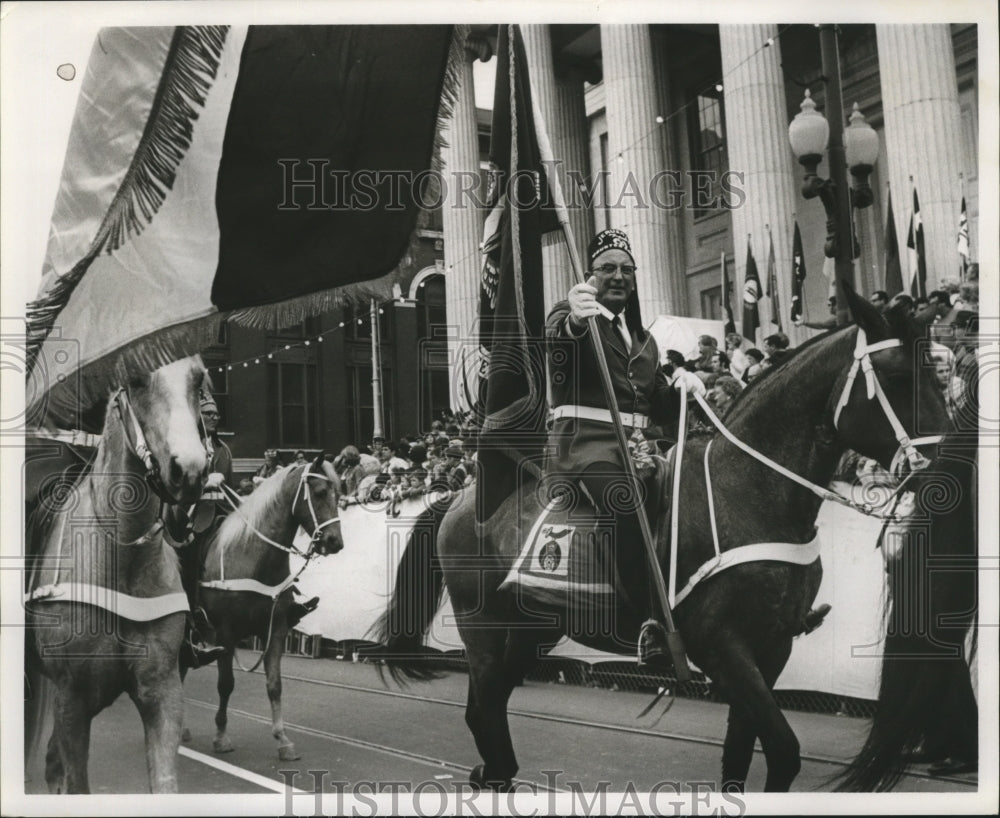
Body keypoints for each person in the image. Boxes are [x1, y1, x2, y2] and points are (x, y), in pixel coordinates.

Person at [546, 227, 682, 669]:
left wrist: (682, 386)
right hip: (587, 446)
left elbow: (656, 399)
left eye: (626, 269)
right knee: (626, 499)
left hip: (643, 447)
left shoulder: (646, 339)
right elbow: (558, 349)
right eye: (607, 269)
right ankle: (644, 621)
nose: (618, 276)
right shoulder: (568, 314)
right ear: (590, 276)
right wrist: (573, 321)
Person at [176, 390, 232, 670]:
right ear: (197, 416)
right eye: (209, 413)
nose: (215, 417)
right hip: (192, 518)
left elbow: (229, 484)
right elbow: (178, 487)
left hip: (222, 514)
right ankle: (192, 630)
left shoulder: (223, 449)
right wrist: (204, 483)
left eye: (217, 414)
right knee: (189, 563)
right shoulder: (186, 446)